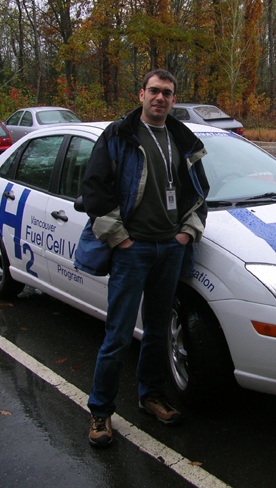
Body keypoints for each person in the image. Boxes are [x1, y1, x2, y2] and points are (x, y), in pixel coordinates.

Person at [75, 69, 209, 448]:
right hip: (132, 250)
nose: (160, 98)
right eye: (154, 91)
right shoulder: (119, 135)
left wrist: (186, 233)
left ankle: (150, 396)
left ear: (173, 98)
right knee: (117, 335)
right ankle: (100, 411)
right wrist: (121, 240)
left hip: (169, 248)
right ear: (141, 94)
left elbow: (200, 192)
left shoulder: (183, 139)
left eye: (167, 93)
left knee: (156, 332)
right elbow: (95, 190)